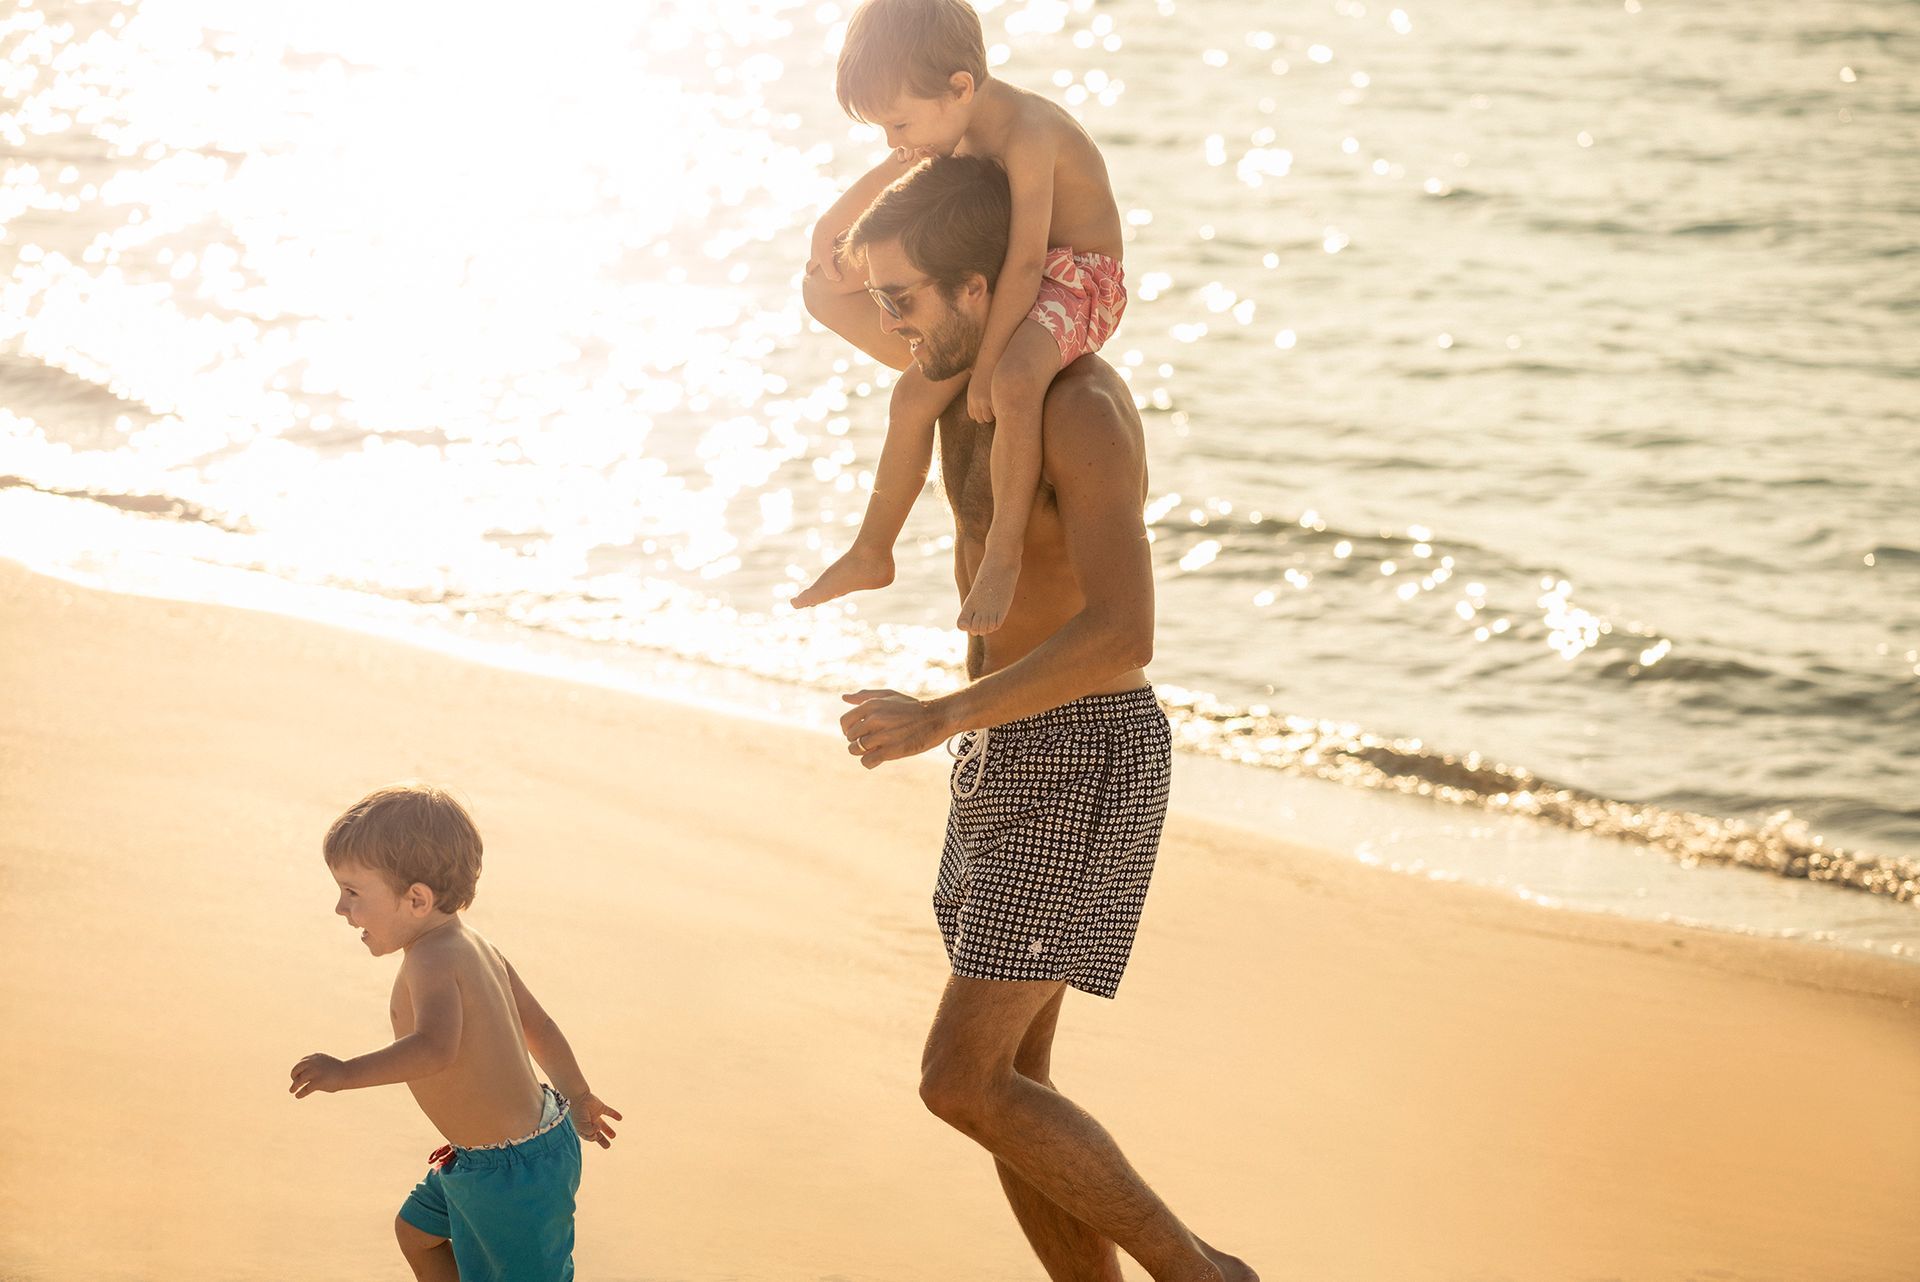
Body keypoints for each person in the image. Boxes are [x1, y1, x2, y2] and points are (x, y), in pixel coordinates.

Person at [821, 156, 1256, 1282]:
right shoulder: (957, 370)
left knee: (961, 1080)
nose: (888, 324)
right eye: (887, 302)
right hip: (1000, 746)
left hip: (1082, 751)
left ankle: (1207, 1276)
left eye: (907, 299)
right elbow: (821, 283)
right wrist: (930, 139)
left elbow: (1124, 632)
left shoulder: (1079, 405)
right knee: (1013, 1088)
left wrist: (940, 714)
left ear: (981, 290)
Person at [792, 0, 1128, 636]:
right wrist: (826, 236)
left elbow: (1030, 263)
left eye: (898, 123)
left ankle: (1003, 553)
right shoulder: (951, 122)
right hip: (1006, 278)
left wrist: (987, 373)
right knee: (911, 394)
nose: (896, 142)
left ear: (960, 88)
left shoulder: (1027, 130)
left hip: (1077, 278)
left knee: (1013, 382)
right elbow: (886, 179)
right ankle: (872, 550)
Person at [289, 783, 620, 1282]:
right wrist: (578, 1094)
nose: (341, 908)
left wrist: (344, 1072)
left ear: (417, 898)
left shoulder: (433, 959)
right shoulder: (472, 944)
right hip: (509, 1150)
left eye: (353, 892)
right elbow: (540, 1026)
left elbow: (434, 1049)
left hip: (513, 1171)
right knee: (415, 1232)